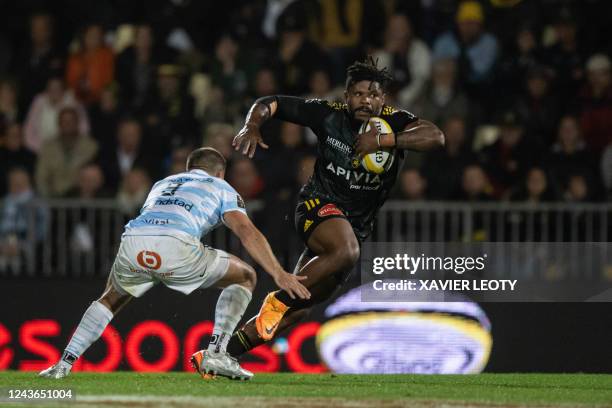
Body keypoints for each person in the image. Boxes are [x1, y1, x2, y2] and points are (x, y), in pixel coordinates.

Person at [227, 58, 443, 357]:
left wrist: (384, 141)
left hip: (354, 226)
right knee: (346, 251)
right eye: (358, 94)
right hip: (318, 206)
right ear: (346, 96)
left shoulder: (397, 121)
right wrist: (252, 124)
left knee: (300, 308)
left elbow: (436, 136)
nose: (365, 100)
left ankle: (221, 354)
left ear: (383, 99)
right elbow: (271, 103)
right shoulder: (328, 114)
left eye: (373, 94)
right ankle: (276, 299)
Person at [39, 147, 309, 380]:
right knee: (246, 276)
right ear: (220, 172)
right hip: (176, 245)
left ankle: (63, 363)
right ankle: (216, 353)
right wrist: (277, 272)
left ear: (190, 168)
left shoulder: (163, 183)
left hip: (134, 239)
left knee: (109, 299)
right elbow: (246, 231)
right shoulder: (221, 186)